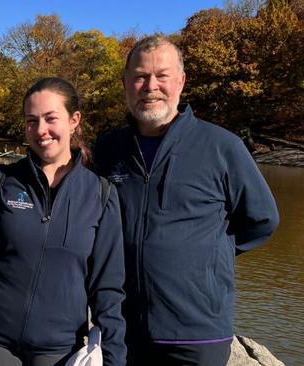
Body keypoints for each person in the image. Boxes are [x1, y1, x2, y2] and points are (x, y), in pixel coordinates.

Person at [93, 35, 280, 366]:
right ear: (125, 83)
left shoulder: (222, 147)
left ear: (181, 81)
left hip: (197, 333)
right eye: (139, 76)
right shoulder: (107, 150)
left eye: (162, 76)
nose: (151, 86)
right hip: (123, 329)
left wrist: (208, 254)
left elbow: (262, 220)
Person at [0, 77, 126, 366]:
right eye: (32, 121)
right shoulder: (1, 180)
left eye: (50, 118)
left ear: (74, 120)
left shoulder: (101, 194)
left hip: (58, 346)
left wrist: (113, 356)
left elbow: (108, 286)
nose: (40, 130)